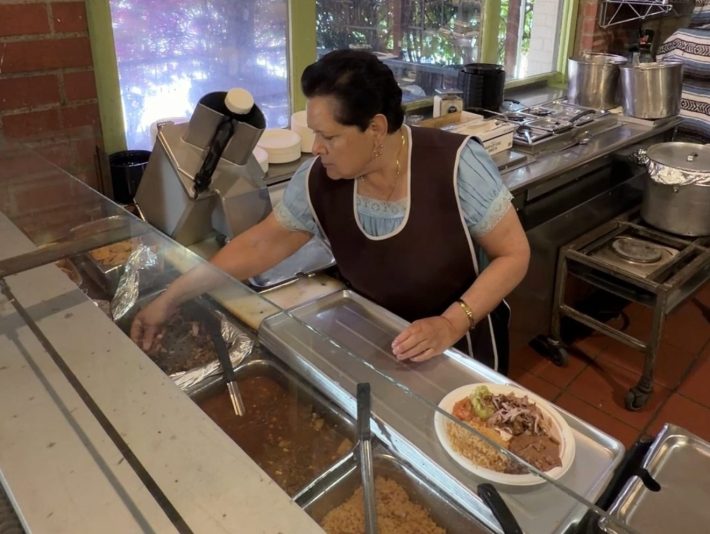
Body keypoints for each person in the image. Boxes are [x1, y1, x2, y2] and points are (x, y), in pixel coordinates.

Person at [131, 50, 530, 373]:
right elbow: (260, 244)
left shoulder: (456, 163)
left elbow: (513, 255)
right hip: (382, 346)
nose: (317, 148)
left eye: (329, 136)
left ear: (375, 128)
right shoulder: (320, 179)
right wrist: (173, 295)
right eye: (314, 134)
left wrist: (451, 323)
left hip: (461, 350)